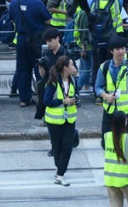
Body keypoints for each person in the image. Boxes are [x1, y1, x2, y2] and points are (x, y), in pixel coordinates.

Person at [8, 0, 52, 107]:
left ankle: (24, 99)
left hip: (20, 38)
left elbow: (11, 18)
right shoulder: (38, 3)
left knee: (22, 69)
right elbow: (48, 21)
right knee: (40, 67)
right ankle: (42, 97)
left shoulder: (14, 3)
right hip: (36, 39)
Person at [96, 37, 128, 143]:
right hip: (110, 112)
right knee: (106, 142)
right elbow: (98, 88)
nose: (121, 51)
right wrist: (106, 96)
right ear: (111, 51)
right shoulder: (104, 67)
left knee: (126, 143)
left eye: (123, 48)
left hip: (127, 113)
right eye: (117, 49)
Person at [44, 55, 79, 187]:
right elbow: (47, 101)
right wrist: (63, 101)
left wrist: (75, 101)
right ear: (65, 68)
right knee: (57, 148)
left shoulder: (73, 81)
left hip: (69, 120)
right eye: (72, 65)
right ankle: (59, 170)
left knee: (67, 147)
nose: (74, 68)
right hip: (54, 121)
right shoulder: (53, 82)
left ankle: (60, 175)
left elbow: (75, 94)